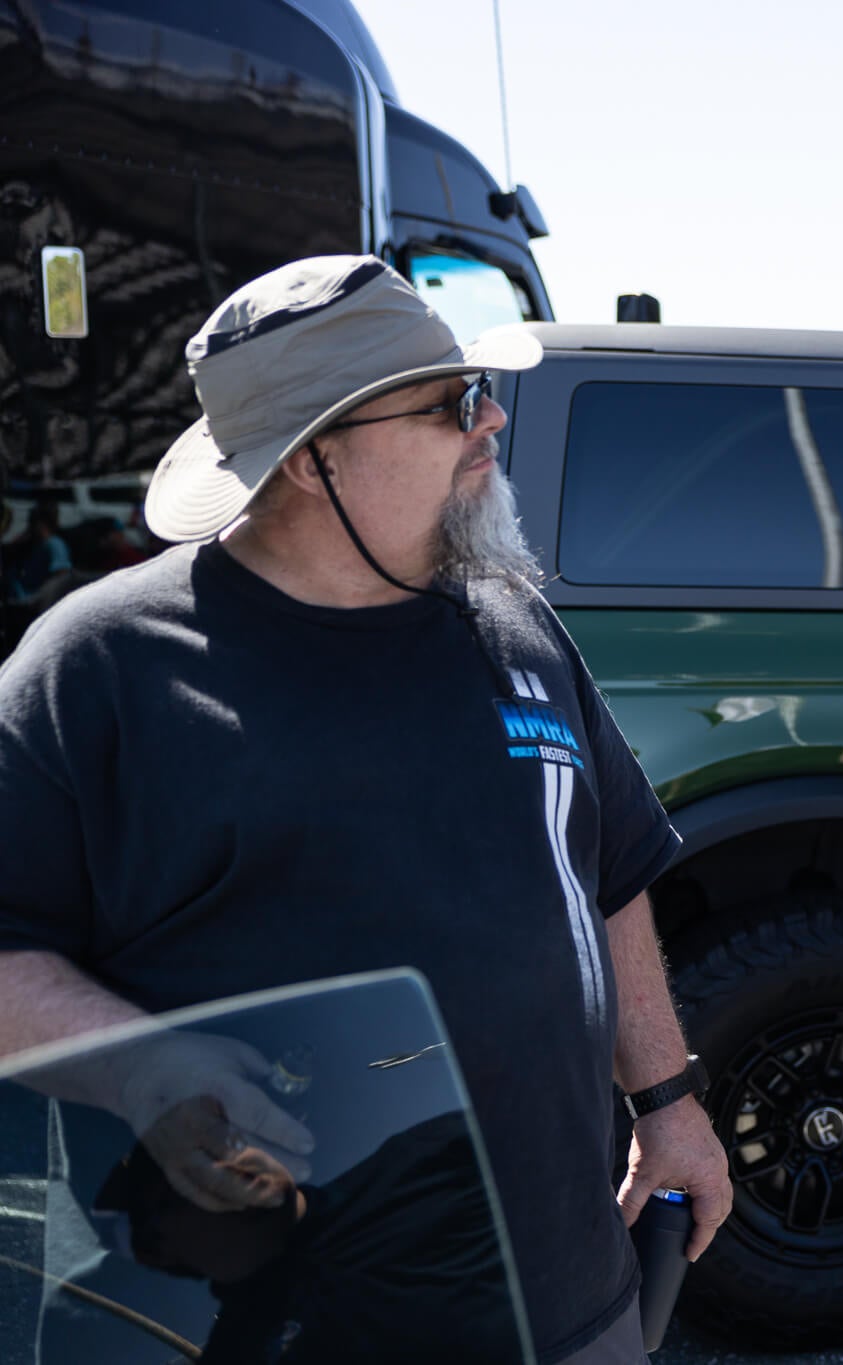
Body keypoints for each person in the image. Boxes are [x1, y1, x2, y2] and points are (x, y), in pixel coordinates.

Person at [0, 256, 733, 1365]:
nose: (490, 422)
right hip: (264, 1323)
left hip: (570, 1301)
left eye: (479, 387)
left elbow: (605, 875)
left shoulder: (514, 628)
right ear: (308, 459)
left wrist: (669, 1100)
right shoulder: (101, 668)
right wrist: (141, 1066)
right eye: (449, 405)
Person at [8, 499, 73, 601]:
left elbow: (62, 576)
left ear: (41, 523)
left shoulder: (55, 545)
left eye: (33, 521)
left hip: (35, 601)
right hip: (19, 598)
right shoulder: (33, 545)